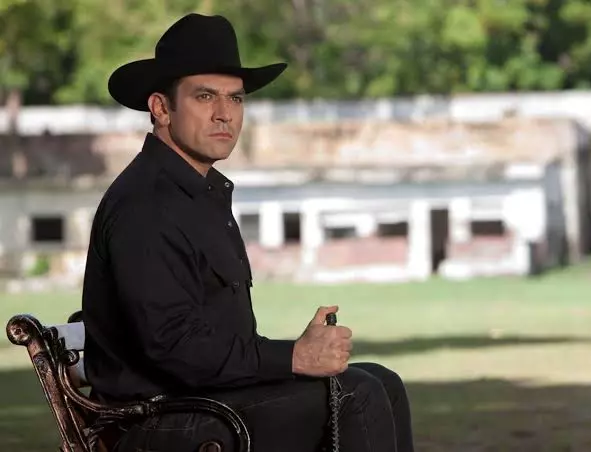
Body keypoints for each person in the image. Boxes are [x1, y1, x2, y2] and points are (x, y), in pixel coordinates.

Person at [81, 12, 414, 452]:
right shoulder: (146, 205)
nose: (224, 114)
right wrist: (294, 356)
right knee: (357, 393)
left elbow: (215, 338)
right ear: (161, 108)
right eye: (205, 96)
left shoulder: (199, 195)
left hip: (201, 401)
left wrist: (295, 356)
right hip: (155, 422)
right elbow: (174, 347)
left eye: (235, 99)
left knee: (382, 382)